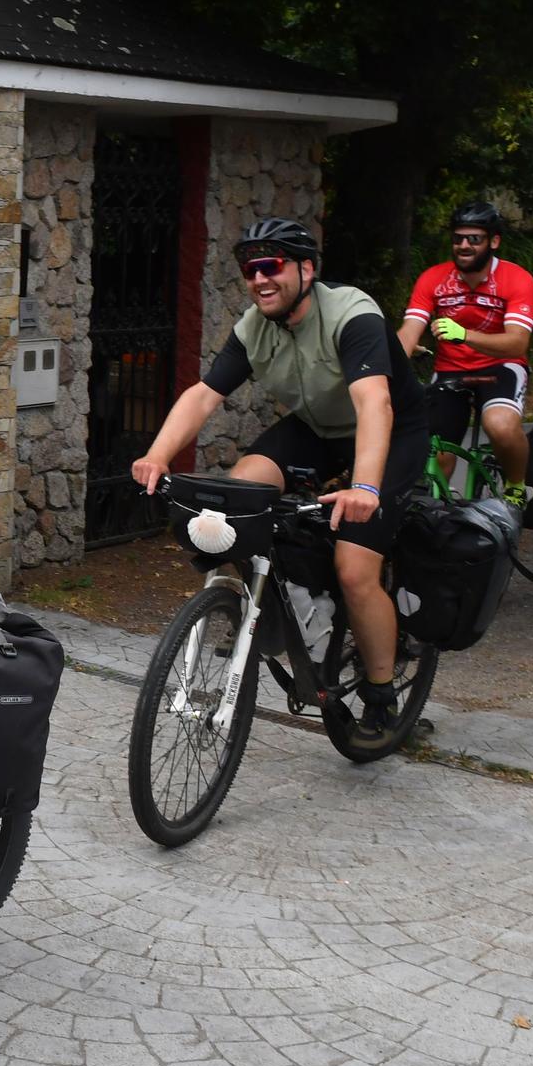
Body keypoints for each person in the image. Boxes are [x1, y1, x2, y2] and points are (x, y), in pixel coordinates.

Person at [130, 218, 429, 740]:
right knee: (241, 492)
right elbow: (204, 395)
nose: (259, 278)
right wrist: (156, 456)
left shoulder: (351, 315)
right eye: (250, 269)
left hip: (390, 431)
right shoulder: (255, 327)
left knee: (356, 567)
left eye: (271, 266)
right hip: (318, 427)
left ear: (306, 269)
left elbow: (373, 401)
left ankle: (381, 692)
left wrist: (365, 487)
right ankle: (280, 607)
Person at [395, 201, 533, 508]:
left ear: (493, 242)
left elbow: (517, 343)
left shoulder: (517, 279)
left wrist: (464, 335)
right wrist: (387, 365)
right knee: (438, 452)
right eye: (458, 238)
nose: (463, 245)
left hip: (501, 367)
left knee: (500, 425)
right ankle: (433, 518)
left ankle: (516, 485)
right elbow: (410, 331)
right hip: (451, 369)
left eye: (474, 239)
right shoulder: (434, 279)